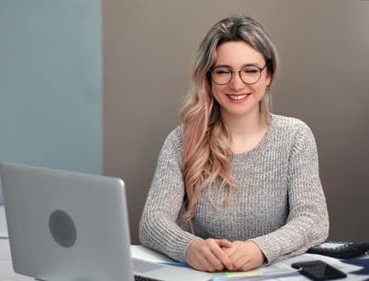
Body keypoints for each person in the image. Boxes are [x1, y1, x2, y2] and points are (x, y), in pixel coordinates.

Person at [139, 15, 329, 272]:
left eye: (250, 70)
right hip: (207, 276)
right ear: (208, 77)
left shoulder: (295, 136)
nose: (237, 84)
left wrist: (260, 249)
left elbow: (313, 220)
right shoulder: (182, 139)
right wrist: (189, 247)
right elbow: (152, 221)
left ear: (268, 75)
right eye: (223, 71)